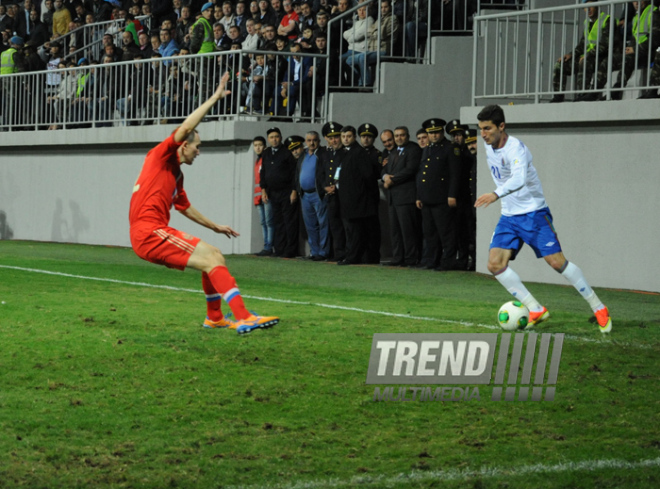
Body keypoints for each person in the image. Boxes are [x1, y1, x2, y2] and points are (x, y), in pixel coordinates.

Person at [129, 72, 279, 335]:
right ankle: (243, 317)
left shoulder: (176, 174)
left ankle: (215, 318)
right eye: (197, 146)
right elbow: (186, 128)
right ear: (182, 146)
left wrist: (215, 226)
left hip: (152, 231)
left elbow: (183, 207)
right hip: (148, 232)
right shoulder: (161, 156)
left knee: (214, 256)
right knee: (211, 258)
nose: (199, 151)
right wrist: (215, 97)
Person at [474, 105, 612, 333]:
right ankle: (535, 308)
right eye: (480, 129)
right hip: (509, 217)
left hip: (533, 214)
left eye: (487, 128)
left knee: (558, 263)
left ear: (501, 126)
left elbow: (519, 179)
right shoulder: (490, 147)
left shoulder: (516, 149)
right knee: (494, 264)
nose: (483, 134)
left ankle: (598, 306)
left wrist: (495, 194)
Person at [550, 0, 615, 103]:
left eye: (591, 5)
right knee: (560, 65)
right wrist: (570, 54)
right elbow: (582, 44)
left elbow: (605, 45)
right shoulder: (587, 23)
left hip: (601, 56)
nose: (588, 9)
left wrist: (588, 54)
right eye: (586, 6)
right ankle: (558, 97)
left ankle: (583, 95)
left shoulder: (607, 20)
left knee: (584, 62)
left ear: (597, 5)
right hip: (588, 57)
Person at [336, 125, 381, 265]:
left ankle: (353, 257)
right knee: (352, 230)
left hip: (357, 199)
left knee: (355, 231)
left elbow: (368, 176)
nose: (346, 139)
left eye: (348, 136)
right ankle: (355, 256)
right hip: (348, 199)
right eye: (343, 136)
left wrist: (360, 196)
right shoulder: (345, 152)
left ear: (354, 137)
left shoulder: (359, 152)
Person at [381, 125, 422, 266]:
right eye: (397, 135)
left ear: (407, 136)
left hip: (406, 197)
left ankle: (411, 258)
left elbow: (410, 170)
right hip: (393, 197)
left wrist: (392, 180)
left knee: (408, 231)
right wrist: (385, 176)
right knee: (395, 231)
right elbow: (384, 169)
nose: (399, 138)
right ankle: (398, 257)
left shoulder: (413, 149)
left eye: (402, 135)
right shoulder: (393, 152)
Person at [260, 127, 300, 258]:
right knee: (277, 222)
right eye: (271, 137)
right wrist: (263, 190)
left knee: (289, 222)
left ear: (281, 138)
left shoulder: (287, 152)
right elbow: (263, 172)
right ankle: (279, 249)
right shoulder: (266, 153)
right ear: (268, 139)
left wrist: (294, 191)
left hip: (287, 192)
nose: (274, 139)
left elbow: (294, 173)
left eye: (276, 136)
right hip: (272, 193)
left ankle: (290, 250)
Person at [295, 130, 330, 260]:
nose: (312, 143)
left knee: (323, 224)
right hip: (305, 195)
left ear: (319, 141)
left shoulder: (323, 154)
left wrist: (324, 188)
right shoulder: (303, 155)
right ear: (305, 142)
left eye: (314, 140)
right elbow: (297, 172)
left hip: (318, 194)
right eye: (309, 140)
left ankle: (323, 252)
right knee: (310, 225)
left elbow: (327, 172)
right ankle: (314, 252)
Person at [317, 121, 346, 261]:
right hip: (330, 195)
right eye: (331, 137)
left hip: (342, 195)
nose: (334, 140)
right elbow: (321, 173)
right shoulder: (326, 154)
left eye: (336, 137)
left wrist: (337, 186)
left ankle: (343, 254)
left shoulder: (345, 153)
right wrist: (324, 187)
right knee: (333, 226)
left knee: (343, 226)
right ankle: (337, 253)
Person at [252, 135, 275, 256]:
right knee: (263, 222)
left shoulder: (265, 159)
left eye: (260, 145)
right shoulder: (257, 160)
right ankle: (266, 245)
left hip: (265, 195)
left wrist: (264, 192)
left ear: (265, 146)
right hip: (258, 196)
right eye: (255, 145)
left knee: (269, 221)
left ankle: (269, 246)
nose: (258, 148)